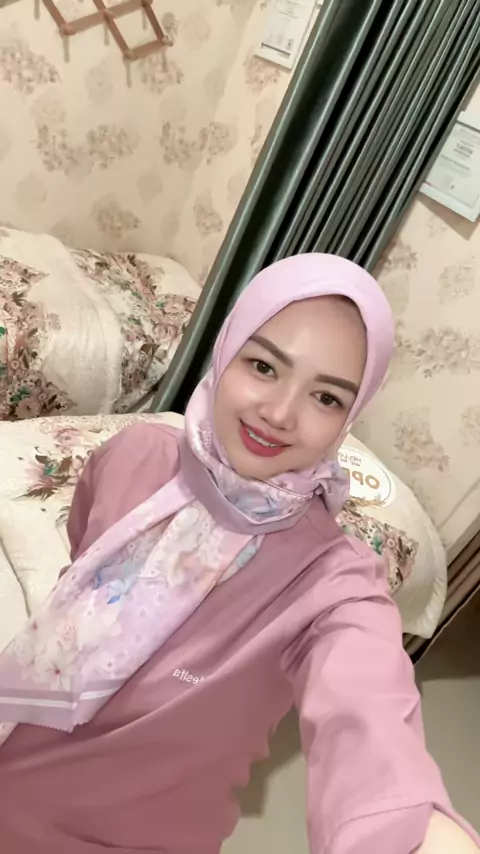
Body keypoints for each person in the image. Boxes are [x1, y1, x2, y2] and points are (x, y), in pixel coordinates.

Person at [0, 254, 477, 854]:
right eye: (263, 366)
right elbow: (81, 549)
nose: (278, 414)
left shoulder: (333, 585)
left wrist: (410, 831)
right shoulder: (135, 453)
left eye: (326, 398)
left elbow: (369, 721)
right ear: (225, 353)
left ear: (349, 419)